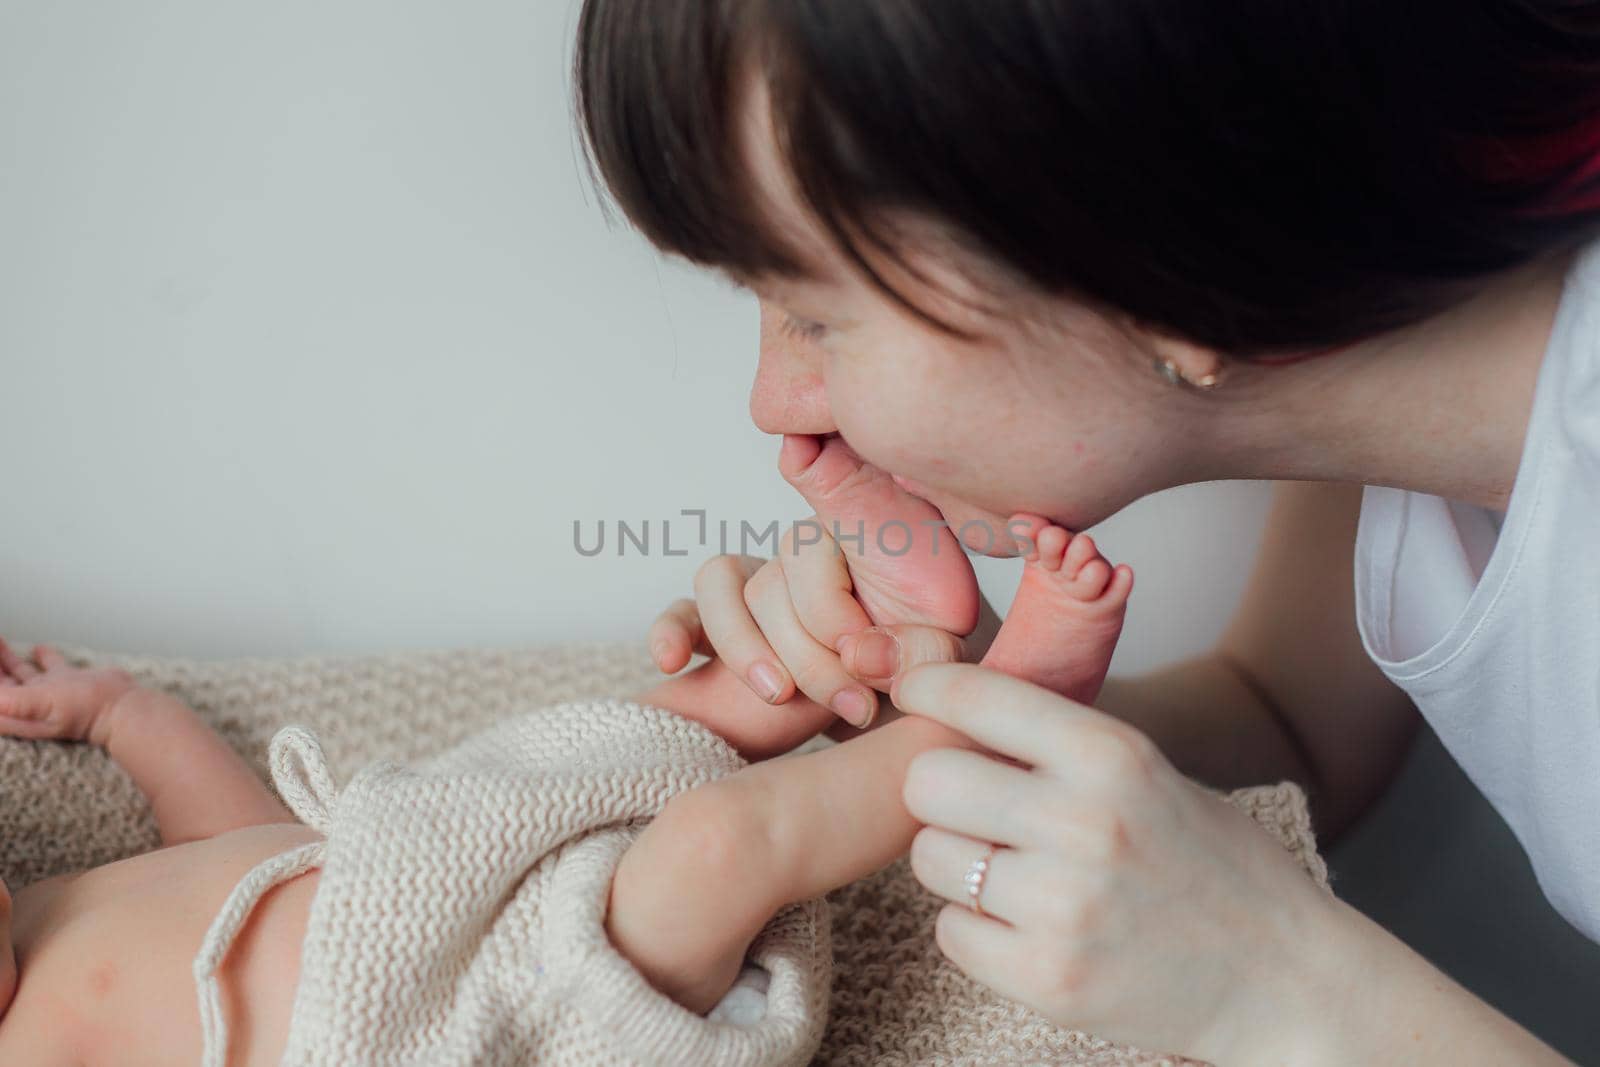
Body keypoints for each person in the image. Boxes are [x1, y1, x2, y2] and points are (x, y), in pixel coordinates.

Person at [575, 0, 1600, 1062]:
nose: (777, 403)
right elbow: (1289, 724)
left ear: (1192, 266)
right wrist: (957, 703)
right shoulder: (1391, 435)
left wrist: (1285, 984)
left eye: (815, 314)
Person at [0, 498, 1144, 1063]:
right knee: (717, 842)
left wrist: (129, 715)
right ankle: (1007, 702)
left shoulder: (64, 898)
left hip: (425, 869)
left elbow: (243, 849)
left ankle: (865, 625)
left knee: (621, 731)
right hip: (489, 1009)